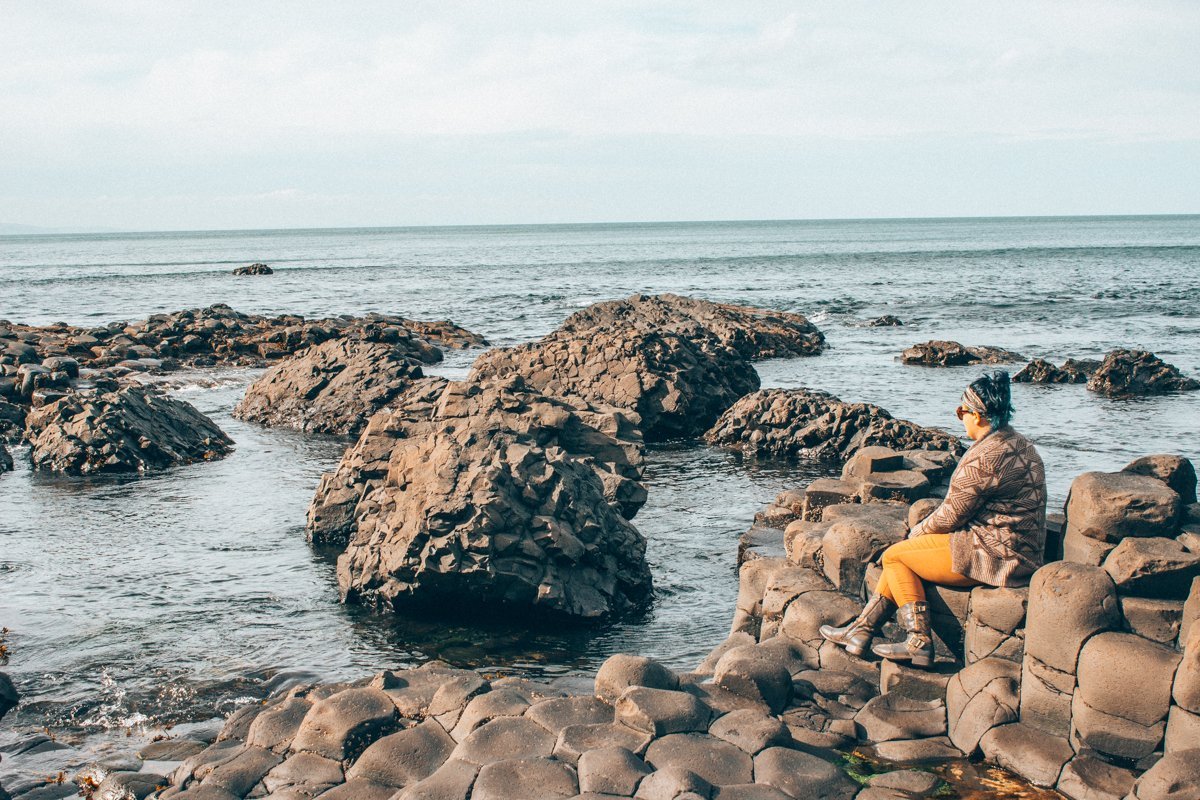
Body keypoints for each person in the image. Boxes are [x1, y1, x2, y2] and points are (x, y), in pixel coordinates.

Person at [820, 370, 1047, 667]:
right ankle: (859, 632)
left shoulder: (984, 457)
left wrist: (918, 531)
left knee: (895, 557)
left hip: (995, 557)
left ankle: (918, 642)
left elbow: (951, 515)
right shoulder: (1021, 444)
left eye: (961, 411)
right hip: (1021, 550)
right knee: (904, 556)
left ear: (977, 415)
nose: (959, 417)